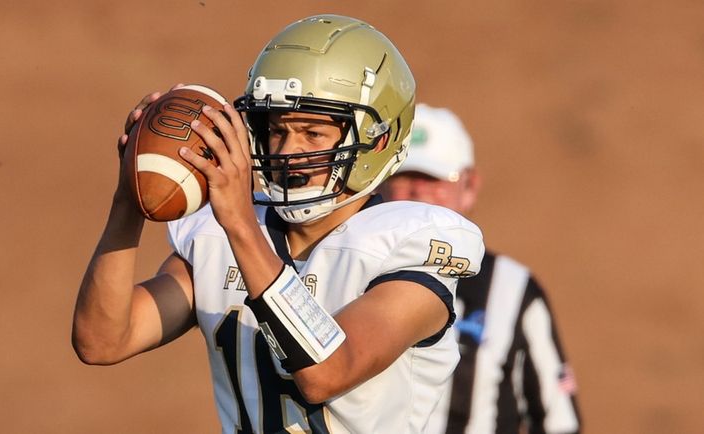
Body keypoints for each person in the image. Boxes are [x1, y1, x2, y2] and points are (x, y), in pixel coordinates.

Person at [72, 15, 485, 434]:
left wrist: (238, 223)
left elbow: (326, 373)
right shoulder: (220, 235)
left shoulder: (412, 243)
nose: (290, 152)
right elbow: (102, 341)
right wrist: (128, 202)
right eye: (277, 130)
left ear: (377, 139)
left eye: (312, 133)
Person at [378, 103, 581, 434]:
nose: (417, 192)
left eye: (434, 179)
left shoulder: (512, 289)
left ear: (469, 187)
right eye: (403, 177)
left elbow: (559, 422)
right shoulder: (344, 269)